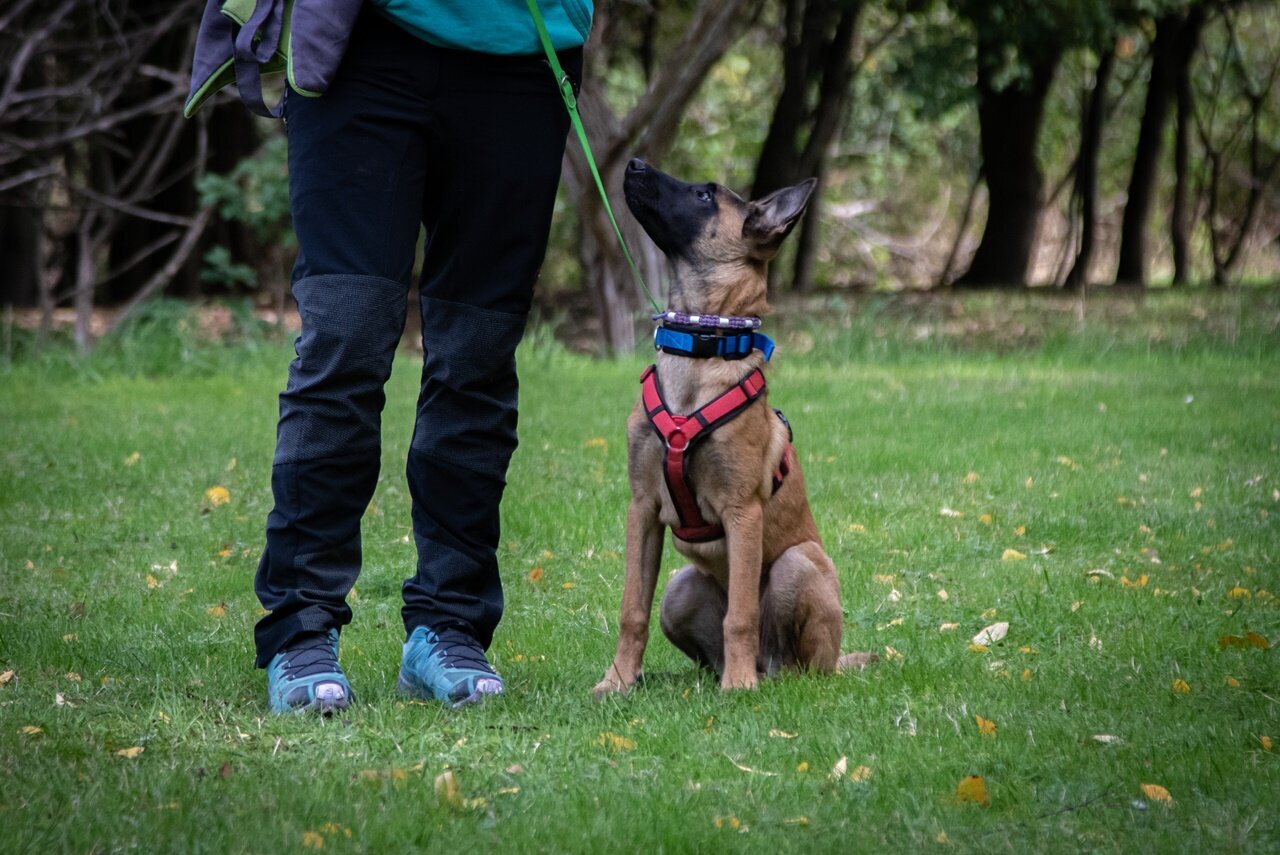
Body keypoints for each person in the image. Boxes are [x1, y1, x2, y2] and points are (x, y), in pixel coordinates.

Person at [195, 0, 593, 713]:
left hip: (524, 51)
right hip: (361, 46)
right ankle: (301, 627)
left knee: (477, 349)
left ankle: (450, 623)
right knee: (344, 334)